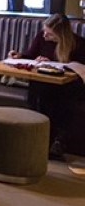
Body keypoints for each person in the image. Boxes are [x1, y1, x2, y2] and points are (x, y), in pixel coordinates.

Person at [8, 14, 85, 159]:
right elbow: (30, 56)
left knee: (60, 94)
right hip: (46, 82)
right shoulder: (41, 38)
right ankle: (41, 137)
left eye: (49, 33)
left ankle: (56, 140)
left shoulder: (78, 44)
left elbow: (80, 68)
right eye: (44, 31)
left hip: (69, 86)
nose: (44, 35)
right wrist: (19, 56)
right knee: (39, 86)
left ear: (61, 34)